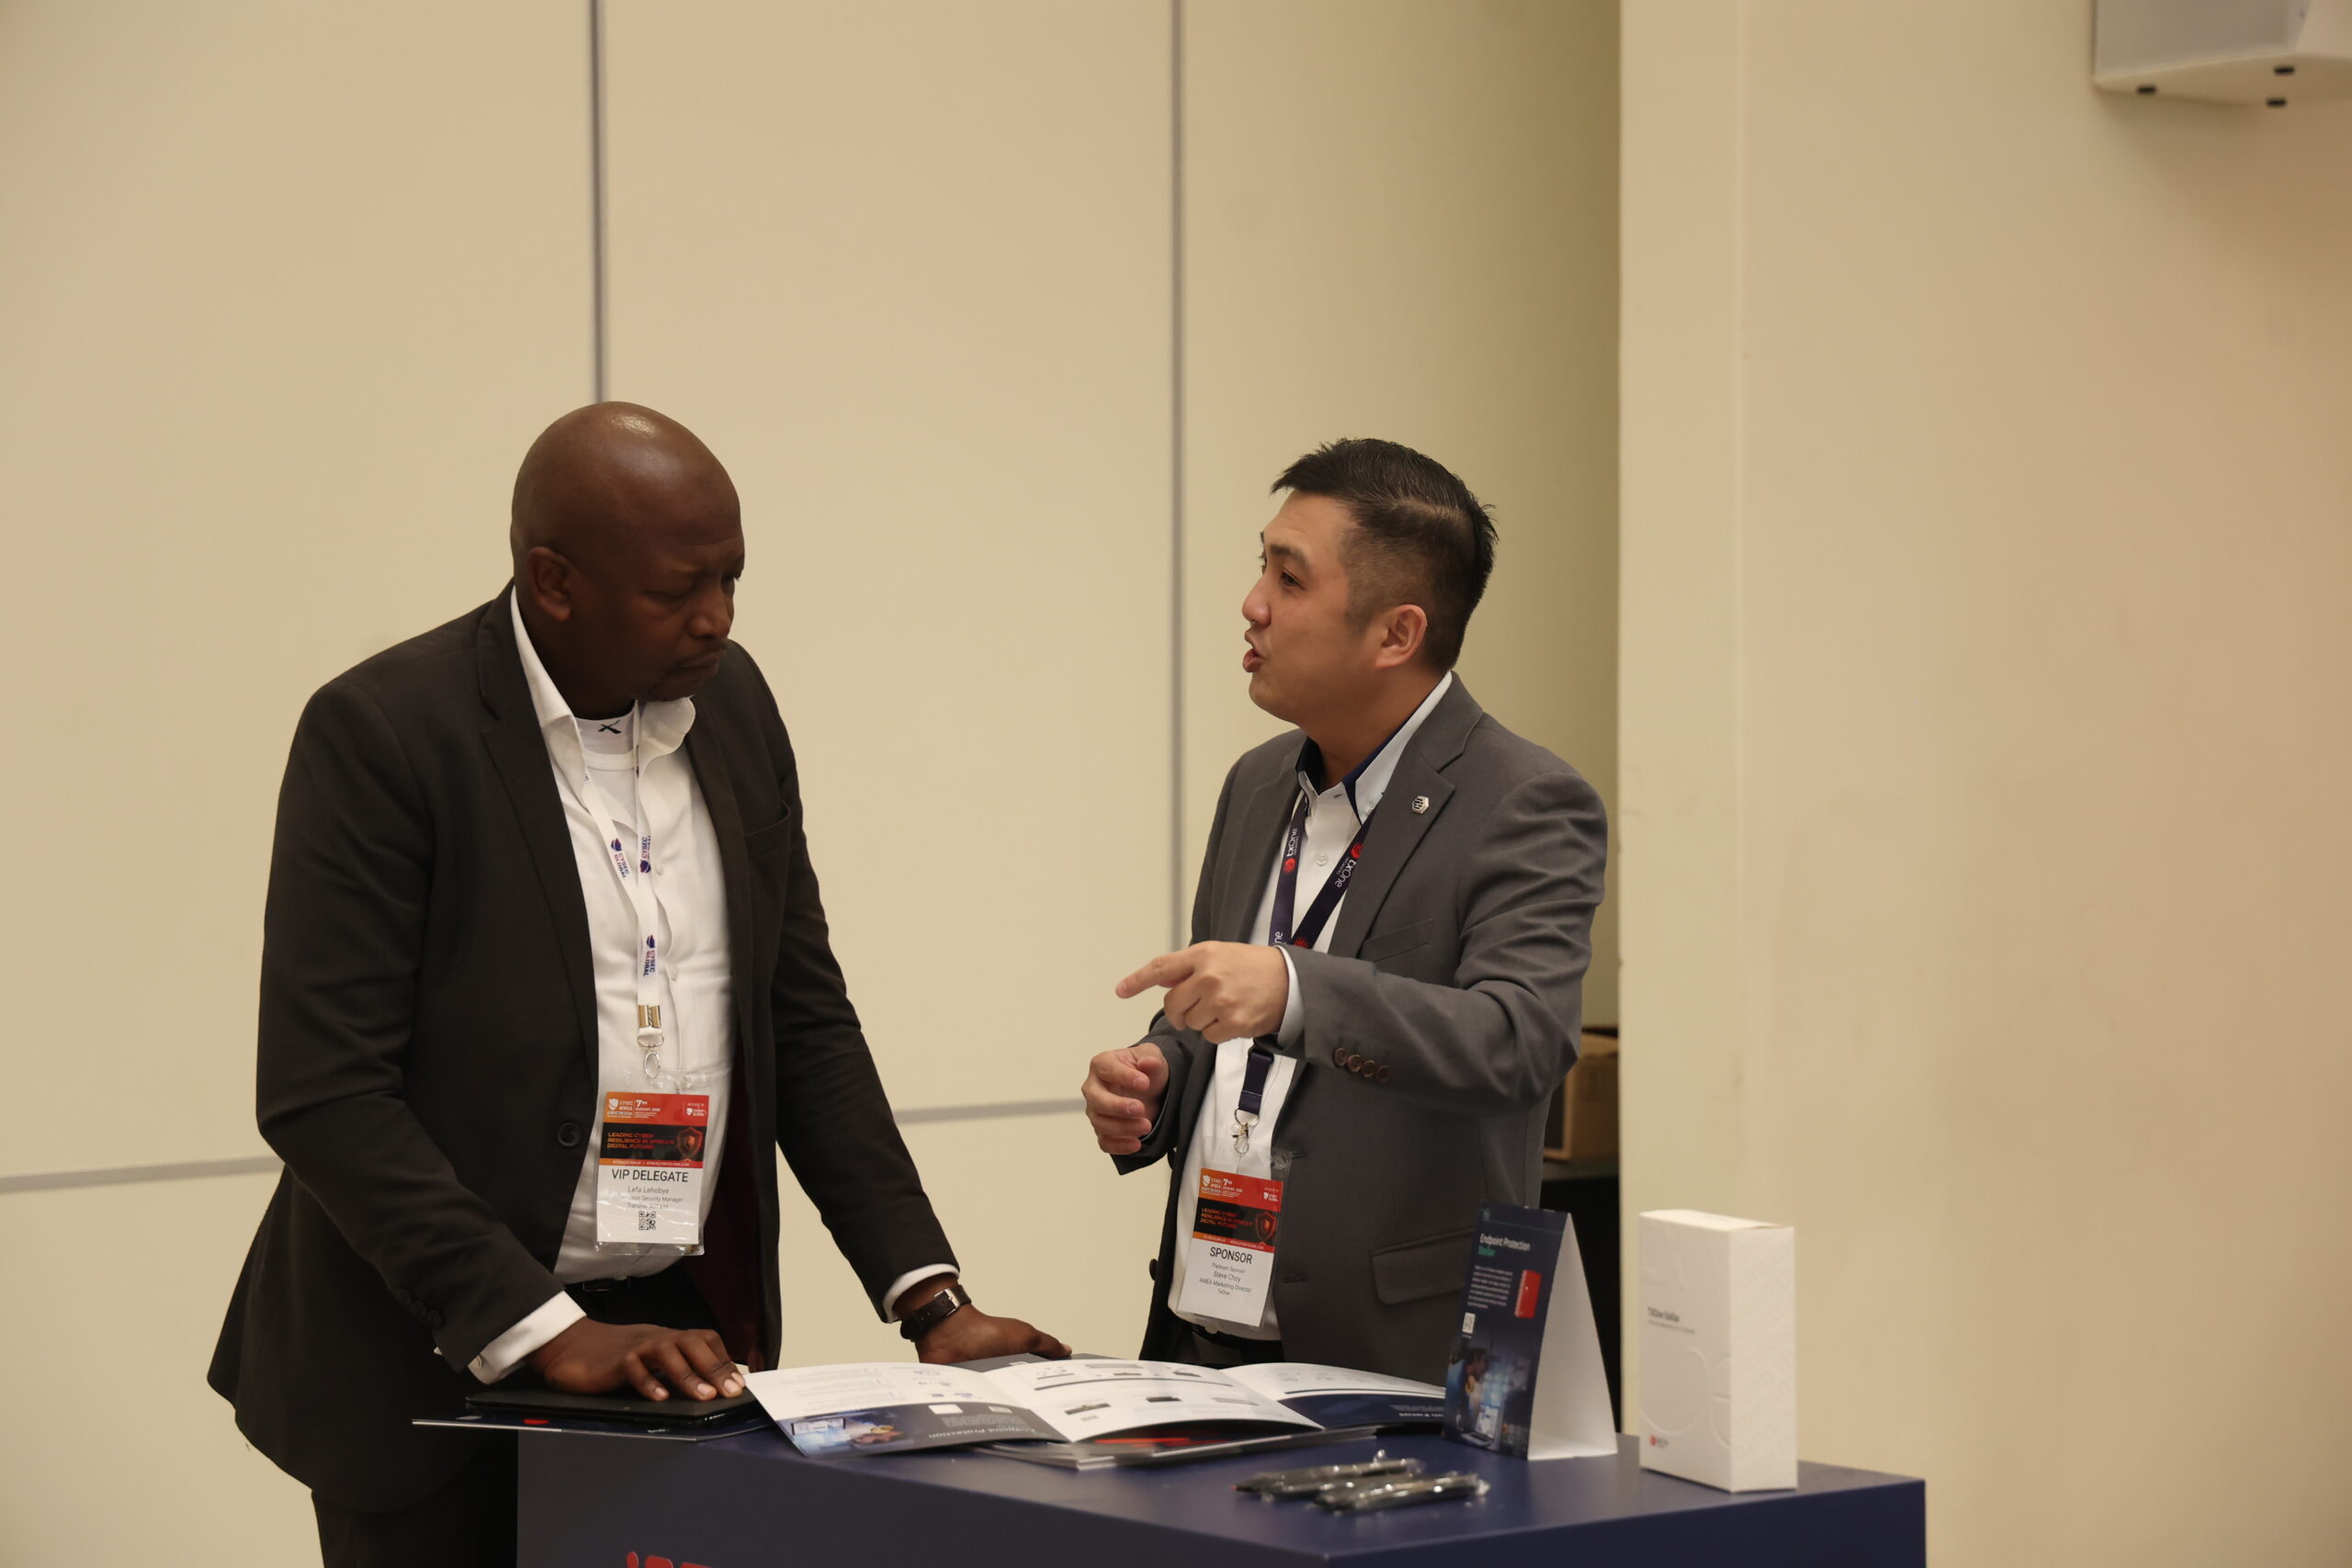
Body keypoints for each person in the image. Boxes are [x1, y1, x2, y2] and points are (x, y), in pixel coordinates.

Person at [210, 403, 1065, 1568]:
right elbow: (324, 1095)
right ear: (553, 581)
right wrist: (546, 1330)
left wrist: (929, 1297)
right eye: (678, 590)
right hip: (430, 1355)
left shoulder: (735, 706)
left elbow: (800, 1018)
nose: (718, 618)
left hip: (670, 1348)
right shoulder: (386, 733)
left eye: (732, 578)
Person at [1081, 438, 1607, 1382]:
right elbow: (1228, 1016)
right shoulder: (1257, 783)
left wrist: (1295, 991)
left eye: (1289, 578)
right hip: (1203, 1342)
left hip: (1393, 1365)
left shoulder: (1523, 801)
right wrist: (1160, 1071)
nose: (1253, 604)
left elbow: (1520, 1040)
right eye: (1261, 566)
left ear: (1396, 634)